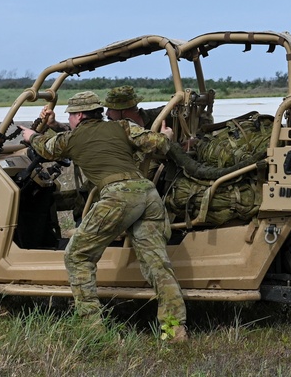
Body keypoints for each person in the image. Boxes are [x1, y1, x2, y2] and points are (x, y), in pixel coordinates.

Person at [19, 91, 188, 342]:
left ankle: (91, 327)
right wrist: (166, 136)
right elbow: (161, 145)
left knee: (77, 255)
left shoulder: (73, 137)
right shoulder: (122, 127)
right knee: (157, 264)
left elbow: (46, 148)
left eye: (71, 115)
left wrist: (31, 135)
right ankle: (174, 329)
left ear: (78, 115)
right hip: (147, 195)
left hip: (118, 197)